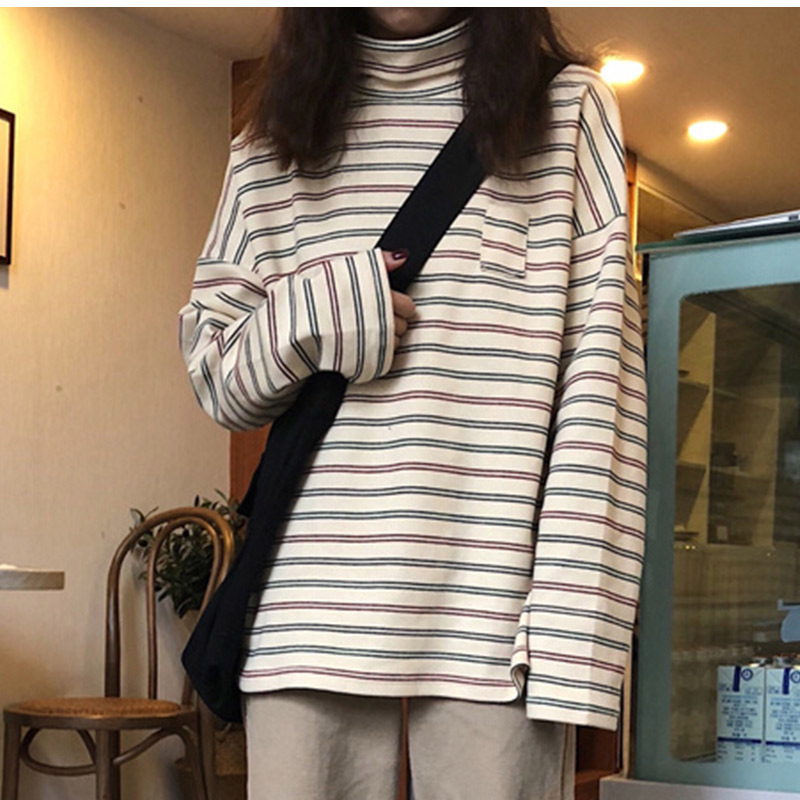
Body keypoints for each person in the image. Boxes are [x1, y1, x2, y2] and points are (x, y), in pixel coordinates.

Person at [178, 8, 647, 800]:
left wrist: (576, 643)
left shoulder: (567, 112)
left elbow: (601, 393)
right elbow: (216, 374)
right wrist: (316, 311)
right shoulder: (271, 141)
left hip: (495, 627)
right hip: (306, 616)